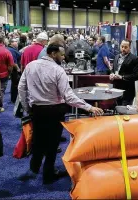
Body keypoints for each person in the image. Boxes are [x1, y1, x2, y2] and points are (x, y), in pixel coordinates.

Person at [18, 44, 103, 184]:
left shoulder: (30, 66)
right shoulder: (58, 70)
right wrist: (89, 107)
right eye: (61, 54)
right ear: (53, 53)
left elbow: (22, 88)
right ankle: (48, 175)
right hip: (54, 111)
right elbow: (68, 97)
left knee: (38, 141)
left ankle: (34, 168)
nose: (63, 57)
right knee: (52, 144)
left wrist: (27, 107)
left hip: (37, 110)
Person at [110, 39, 138, 106]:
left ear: (130, 48)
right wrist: (111, 74)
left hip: (127, 91)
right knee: (117, 109)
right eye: (122, 46)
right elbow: (113, 70)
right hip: (116, 89)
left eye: (125, 47)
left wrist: (122, 77)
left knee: (125, 114)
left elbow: (137, 75)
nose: (123, 49)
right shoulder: (116, 57)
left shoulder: (135, 59)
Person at [7, 38, 22, 103]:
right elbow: (13, 62)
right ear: (11, 43)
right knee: (15, 84)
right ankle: (14, 99)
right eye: (15, 41)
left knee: (14, 84)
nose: (17, 42)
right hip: (15, 70)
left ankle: (14, 98)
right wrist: (18, 69)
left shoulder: (12, 49)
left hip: (14, 69)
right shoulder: (12, 50)